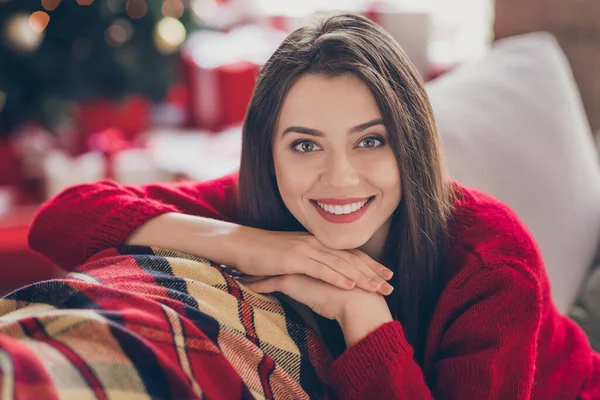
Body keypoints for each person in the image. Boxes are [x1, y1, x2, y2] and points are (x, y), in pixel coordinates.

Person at [28, 13, 599, 399]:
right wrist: (255, 243)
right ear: (270, 155)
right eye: (305, 144)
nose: (339, 178)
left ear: (413, 143)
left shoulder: (493, 264)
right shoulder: (263, 204)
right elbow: (63, 218)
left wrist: (362, 315)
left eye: (371, 140)